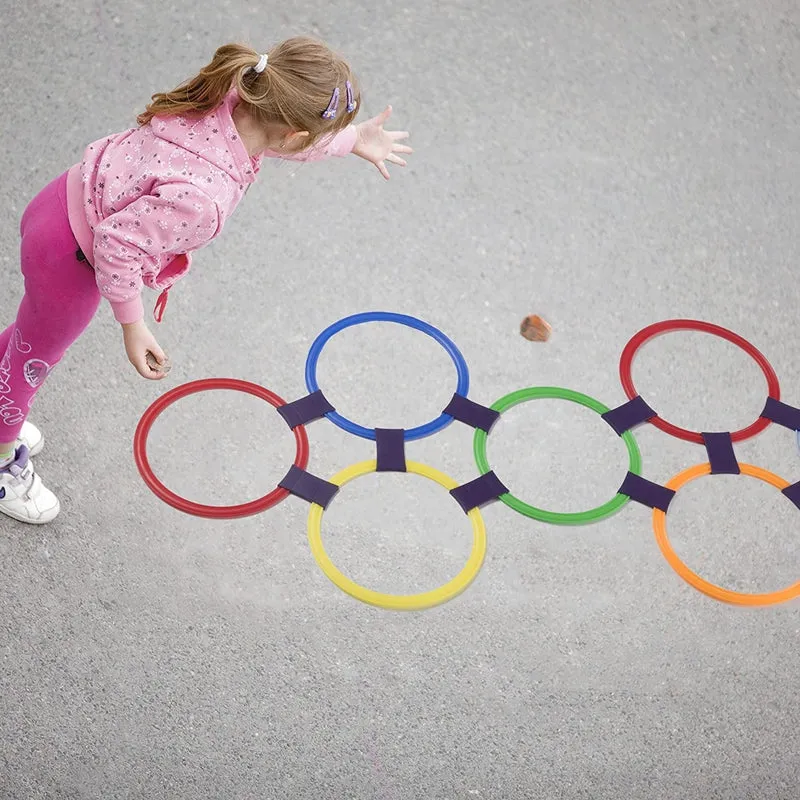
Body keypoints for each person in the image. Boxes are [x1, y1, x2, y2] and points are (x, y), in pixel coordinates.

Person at [0, 37, 412, 524]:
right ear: (295, 136)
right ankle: (5, 462)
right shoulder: (202, 197)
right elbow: (117, 245)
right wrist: (133, 325)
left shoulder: (235, 93)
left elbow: (289, 139)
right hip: (71, 259)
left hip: (62, 201)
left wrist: (350, 140)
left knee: (27, 340)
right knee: (33, 361)